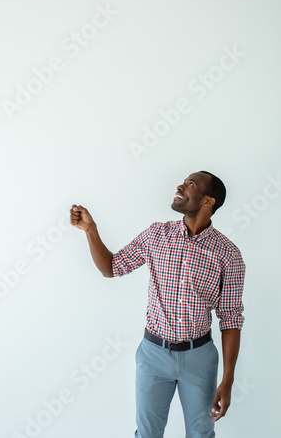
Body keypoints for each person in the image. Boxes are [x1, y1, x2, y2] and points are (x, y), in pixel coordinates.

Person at [69, 170, 246, 438]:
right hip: (153, 354)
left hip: (199, 358)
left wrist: (228, 379)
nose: (180, 186)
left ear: (208, 201)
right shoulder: (156, 235)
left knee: (201, 434)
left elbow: (231, 318)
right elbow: (111, 267)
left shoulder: (228, 254)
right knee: (148, 434)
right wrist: (90, 230)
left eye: (190, 184)